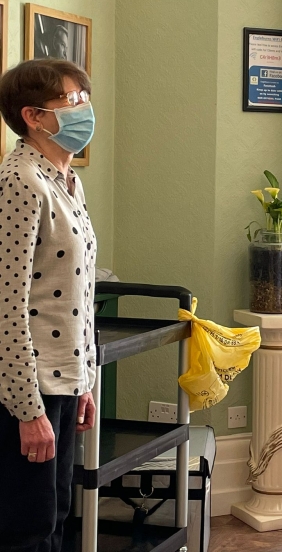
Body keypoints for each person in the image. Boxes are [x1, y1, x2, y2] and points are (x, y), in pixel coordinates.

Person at [0, 58, 97, 552]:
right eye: (71, 101)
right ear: (33, 116)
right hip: (28, 388)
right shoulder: (20, 181)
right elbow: (7, 303)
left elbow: (80, 291)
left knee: (57, 516)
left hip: (63, 381)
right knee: (29, 527)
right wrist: (25, 407)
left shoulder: (66, 180)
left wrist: (85, 379)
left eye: (84, 98)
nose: (84, 109)